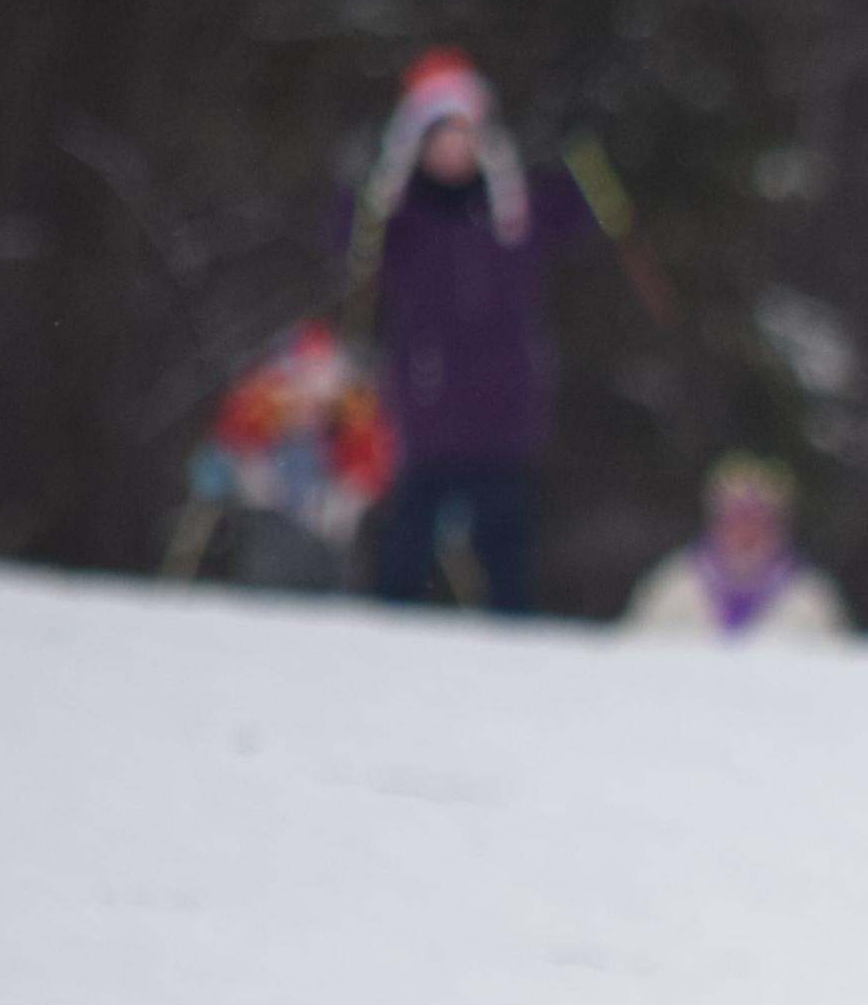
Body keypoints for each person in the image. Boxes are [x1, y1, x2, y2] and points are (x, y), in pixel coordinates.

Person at [343, 49, 591, 614]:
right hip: (426, 406)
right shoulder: (405, 214)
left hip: (504, 406)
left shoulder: (512, 207)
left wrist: (572, 152)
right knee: (409, 539)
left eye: (464, 136)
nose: (454, 151)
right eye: (440, 138)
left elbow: (578, 221)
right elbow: (351, 243)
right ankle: (388, 637)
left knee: (506, 545)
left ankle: (513, 647)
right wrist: (360, 178)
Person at [181, 321, 392, 589]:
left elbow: (373, 461)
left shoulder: (351, 404)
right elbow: (234, 440)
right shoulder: (266, 394)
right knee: (269, 589)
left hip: (331, 527)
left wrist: (348, 496)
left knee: (331, 597)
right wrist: (234, 467)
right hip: (273, 521)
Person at [620, 454, 850, 644]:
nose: (747, 533)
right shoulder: (672, 586)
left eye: (760, 521)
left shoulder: (812, 597)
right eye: (736, 520)